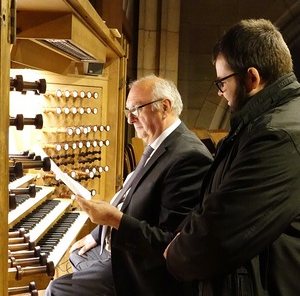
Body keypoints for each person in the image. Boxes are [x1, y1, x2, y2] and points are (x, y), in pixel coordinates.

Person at [164, 18, 300, 296]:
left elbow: (221, 234)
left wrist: (177, 252)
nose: (219, 91)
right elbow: (214, 201)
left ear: (252, 78)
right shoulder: (263, 123)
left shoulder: (277, 135)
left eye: (222, 81)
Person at [45, 74, 213, 296]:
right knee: (76, 255)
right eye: (128, 112)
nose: (129, 120)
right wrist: (97, 235)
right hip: (124, 248)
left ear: (164, 107)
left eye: (136, 110)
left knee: (56, 289)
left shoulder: (189, 157)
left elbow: (171, 243)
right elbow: (130, 198)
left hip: (145, 270)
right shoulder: (159, 144)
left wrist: (113, 220)